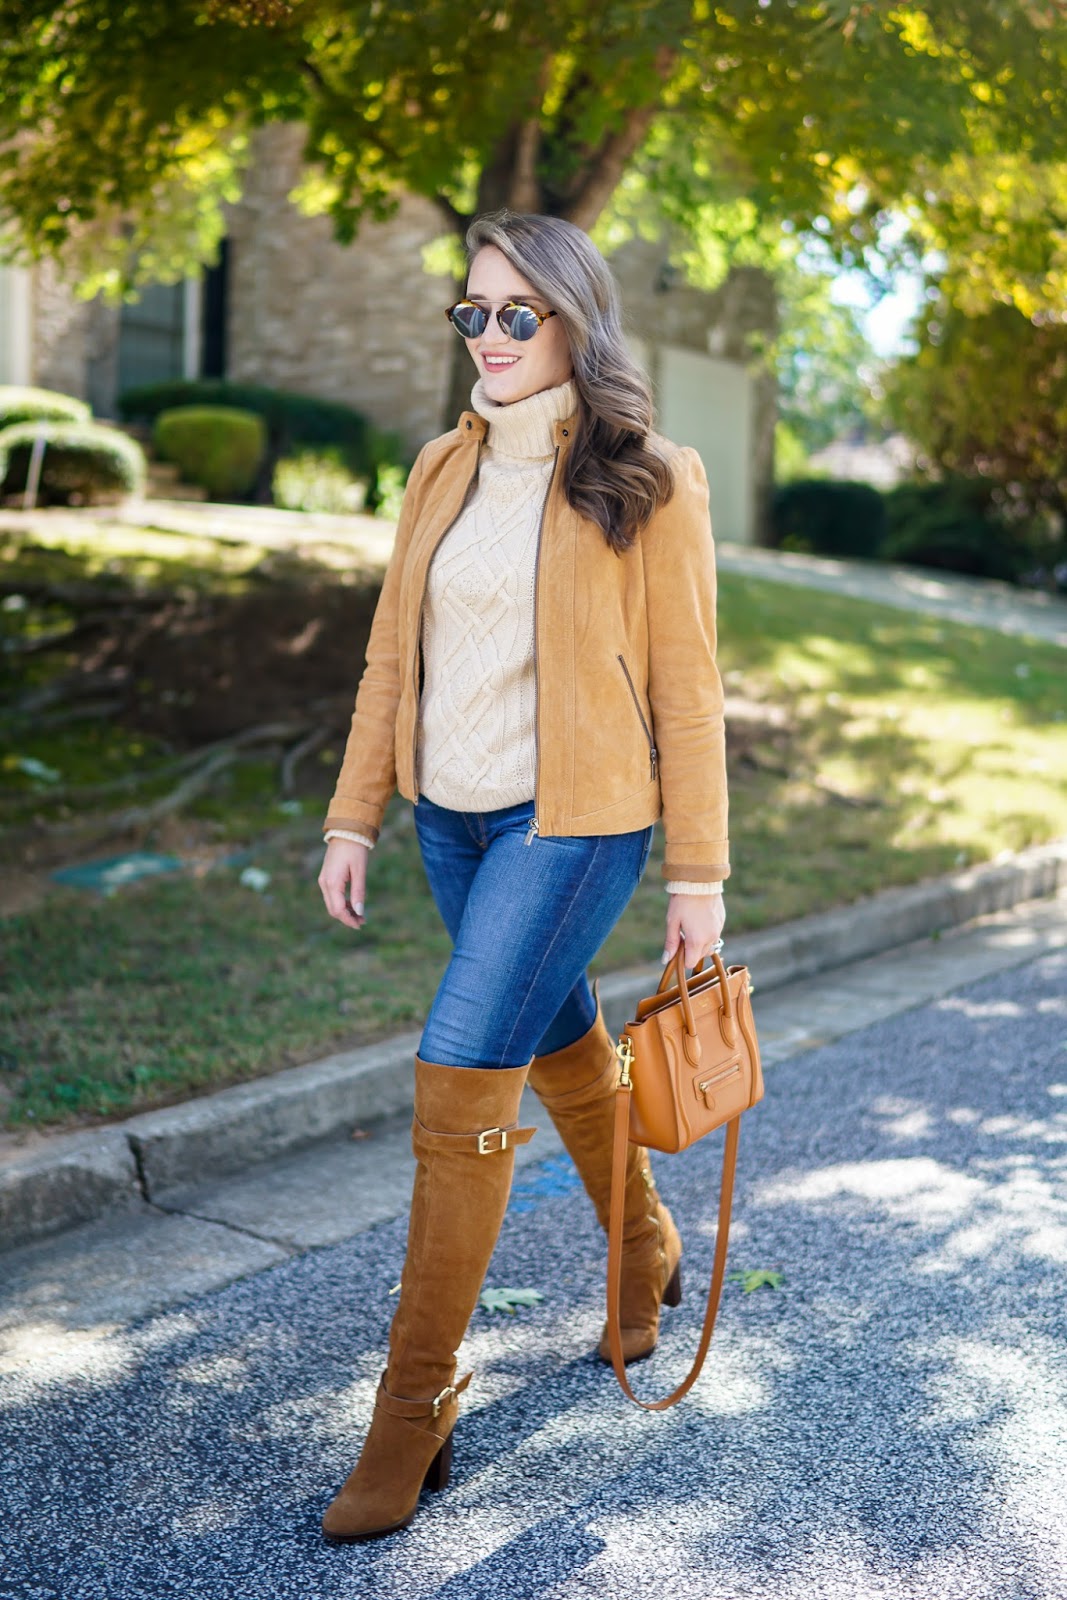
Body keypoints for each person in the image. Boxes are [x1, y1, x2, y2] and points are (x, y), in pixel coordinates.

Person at [316, 210, 728, 1542]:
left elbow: (691, 692)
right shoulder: (443, 464)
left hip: (577, 826)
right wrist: (353, 817)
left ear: (573, 321)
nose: (487, 336)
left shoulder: (648, 478)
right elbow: (391, 654)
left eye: (515, 313)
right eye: (471, 313)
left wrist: (699, 875)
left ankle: (415, 1402)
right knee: (558, 1038)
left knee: (460, 1067)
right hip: (453, 822)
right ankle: (642, 1245)